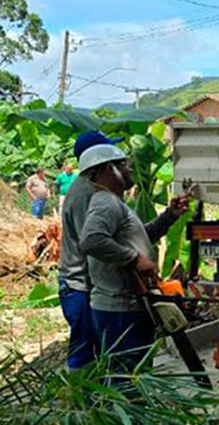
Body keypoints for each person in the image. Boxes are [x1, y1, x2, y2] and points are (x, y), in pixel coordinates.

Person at [78, 144, 189, 373]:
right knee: (127, 379)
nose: (128, 170)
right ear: (108, 170)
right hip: (119, 309)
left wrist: (169, 216)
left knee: (135, 376)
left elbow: (139, 238)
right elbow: (91, 240)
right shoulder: (105, 202)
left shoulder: (115, 202)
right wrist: (134, 259)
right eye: (123, 166)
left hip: (129, 306)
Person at [56, 131, 124, 370]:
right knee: (84, 351)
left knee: (92, 348)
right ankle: (77, 402)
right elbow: (94, 241)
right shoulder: (87, 194)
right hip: (79, 285)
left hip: (82, 284)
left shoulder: (92, 190)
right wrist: (133, 259)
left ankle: (86, 400)